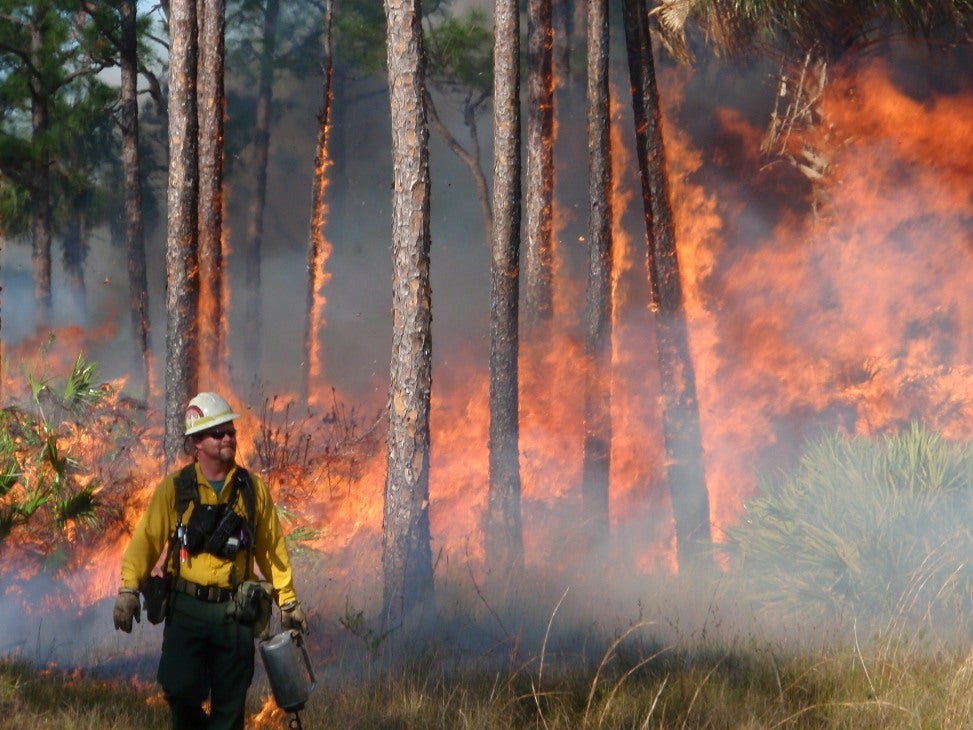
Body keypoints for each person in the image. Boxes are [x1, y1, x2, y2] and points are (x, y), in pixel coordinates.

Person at [113, 391, 308, 730]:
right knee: (178, 689)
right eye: (218, 432)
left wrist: (288, 601)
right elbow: (146, 540)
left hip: (234, 615)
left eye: (230, 430)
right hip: (186, 609)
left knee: (230, 704)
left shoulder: (252, 490)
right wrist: (129, 589)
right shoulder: (175, 489)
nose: (228, 437)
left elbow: (272, 549)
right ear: (197, 442)